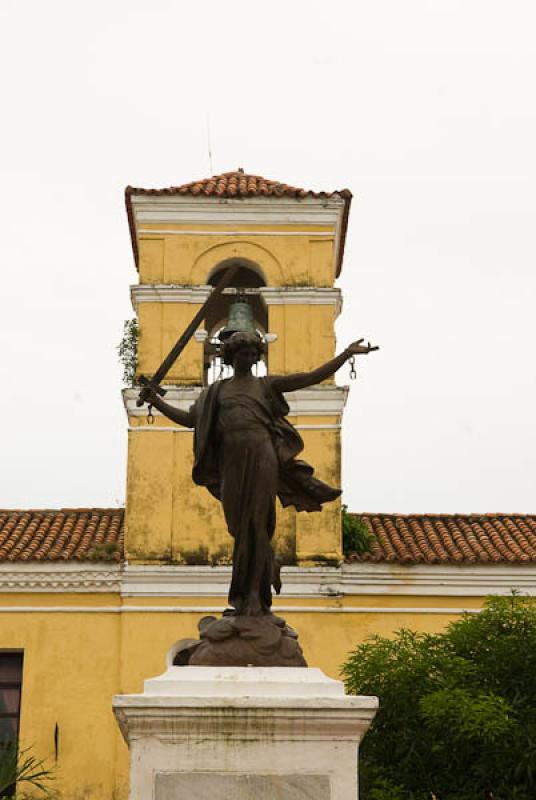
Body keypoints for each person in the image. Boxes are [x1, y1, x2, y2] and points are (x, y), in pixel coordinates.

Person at [144, 333, 378, 616]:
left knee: (256, 522)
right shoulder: (215, 393)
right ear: (231, 357)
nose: (249, 358)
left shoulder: (266, 385)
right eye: (243, 353)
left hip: (262, 455)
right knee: (238, 527)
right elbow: (190, 420)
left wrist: (345, 355)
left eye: (253, 353)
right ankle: (267, 562)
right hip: (231, 461)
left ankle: (253, 597)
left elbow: (311, 377)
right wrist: (156, 403)